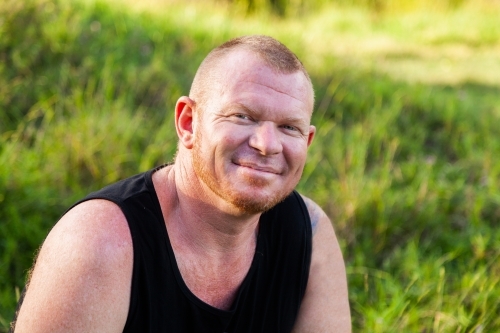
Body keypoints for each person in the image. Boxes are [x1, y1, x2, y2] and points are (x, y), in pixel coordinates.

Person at [12, 35, 351, 332]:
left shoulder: (309, 233)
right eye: (242, 116)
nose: (267, 144)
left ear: (306, 143)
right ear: (188, 122)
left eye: (289, 127)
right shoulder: (99, 243)